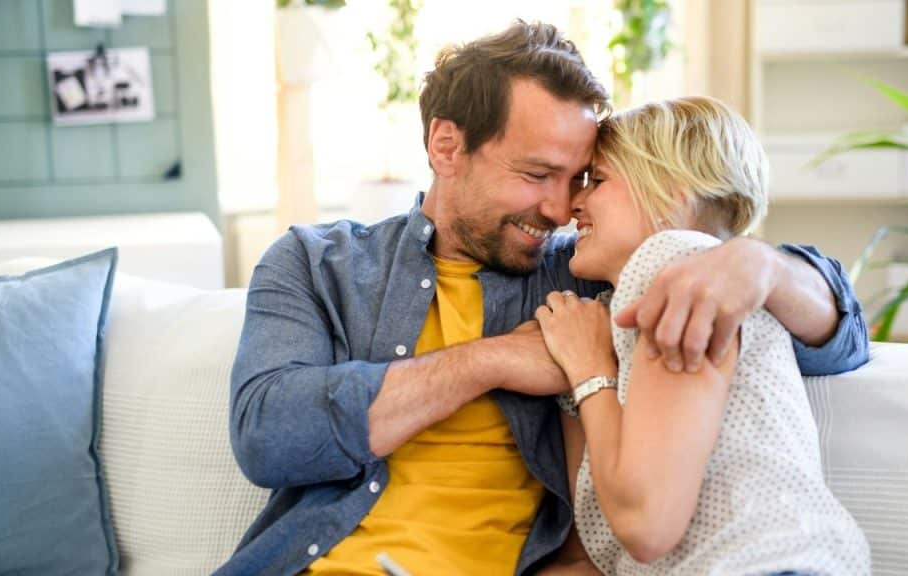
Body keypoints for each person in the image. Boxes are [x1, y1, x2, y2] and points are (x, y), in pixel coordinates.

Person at [218, 21, 868, 576]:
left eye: (580, 178)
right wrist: (490, 360)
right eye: (537, 175)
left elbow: (838, 342)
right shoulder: (315, 262)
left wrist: (760, 265)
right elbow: (268, 439)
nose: (560, 208)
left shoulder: (592, 274)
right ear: (448, 146)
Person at [535, 97, 869, 575]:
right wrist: (584, 377)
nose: (573, 205)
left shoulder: (677, 265)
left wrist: (589, 370)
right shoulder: (623, 310)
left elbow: (646, 525)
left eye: (598, 180)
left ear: (672, 193)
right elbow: (606, 546)